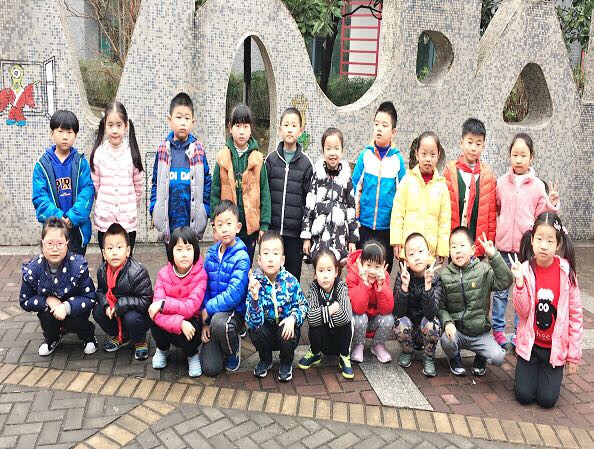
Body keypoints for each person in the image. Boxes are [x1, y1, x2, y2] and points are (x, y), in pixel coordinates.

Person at [492, 133, 560, 347]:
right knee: (500, 292)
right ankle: (498, 331)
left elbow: (541, 216)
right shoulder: (501, 183)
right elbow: (497, 208)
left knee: (524, 292)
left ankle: (520, 332)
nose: (519, 159)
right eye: (515, 155)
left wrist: (551, 203)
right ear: (509, 156)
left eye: (523, 155)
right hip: (503, 247)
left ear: (532, 157)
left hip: (526, 249)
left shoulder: (538, 186)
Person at [512, 212, 581, 408]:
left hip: (554, 349)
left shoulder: (566, 273)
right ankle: (530, 372)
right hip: (531, 347)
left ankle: (548, 374)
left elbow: (576, 316)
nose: (544, 245)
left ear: (558, 244)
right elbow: (523, 312)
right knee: (524, 396)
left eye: (550, 241)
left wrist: (573, 356)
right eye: (539, 239)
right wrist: (519, 283)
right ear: (532, 240)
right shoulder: (525, 269)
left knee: (547, 400)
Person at [439, 227, 513, 377]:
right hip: (457, 332)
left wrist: (494, 256)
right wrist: (447, 323)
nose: (458, 250)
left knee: (498, 357)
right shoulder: (444, 275)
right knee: (446, 341)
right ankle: (454, 358)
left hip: (480, 333)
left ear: (472, 250)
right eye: (453, 247)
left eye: (462, 245)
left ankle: (481, 356)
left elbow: (505, 281)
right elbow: (441, 307)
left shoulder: (483, 270)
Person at [19, 217, 97, 355]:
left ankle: (88, 336)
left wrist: (66, 307)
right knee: (46, 316)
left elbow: (90, 297)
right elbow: (25, 300)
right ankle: (52, 338)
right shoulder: (33, 268)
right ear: (42, 244)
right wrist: (47, 300)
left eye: (60, 244)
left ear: (67, 244)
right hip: (50, 310)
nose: (55, 249)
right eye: (49, 243)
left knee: (76, 318)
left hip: (75, 309)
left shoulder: (78, 265)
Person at [211, 104, 271, 263]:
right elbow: (215, 193)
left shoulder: (257, 159)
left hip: (249, 228)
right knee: (227, 264)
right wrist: (215, 225)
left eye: (245, 126)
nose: (242, 131)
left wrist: (264, 225)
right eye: (237, 126)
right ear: (230, 128)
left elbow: (265, 192)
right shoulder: (223, 157)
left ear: (251, 129)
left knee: (245, 265)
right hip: (227, 226)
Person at [246, 231, 308, 382]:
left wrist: (293, 318)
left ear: (282, 259)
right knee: (255, 330)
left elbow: (303, 305)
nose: (270, 258)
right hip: (266, 330)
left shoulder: (290, 281)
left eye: (275, 253)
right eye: (266, 253)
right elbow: (252, 322)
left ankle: (286, 361)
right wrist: (255, 298)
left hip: (285, 330)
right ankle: (265, 359)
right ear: (259, 260)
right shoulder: (255, 283)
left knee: (289, 328)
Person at [352, 101, 406, 273]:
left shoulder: (397, 160)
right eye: (376, 124)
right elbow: (355, 189)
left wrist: (398, 234)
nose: (379, 129)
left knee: (383, 273)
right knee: (362, 272)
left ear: (393, 131)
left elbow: (402, 198)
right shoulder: (365, 155)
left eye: (384, 125)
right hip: (364, 226)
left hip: (386, 229)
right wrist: (354, 222)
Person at [150, 92, 211, 243]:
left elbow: (207, 181)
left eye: (187, 118)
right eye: (178, 117)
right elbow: (155, 181)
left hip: (191, 222)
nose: (183, 122)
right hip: (169, 223)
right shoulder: (163, 150)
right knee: (171, 256)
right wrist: (154, 208)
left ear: (193, 122)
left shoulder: (198, 150)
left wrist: (205, 210)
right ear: (170, 120)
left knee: (191, 255)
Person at [32, 110, 94, 255]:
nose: (65, 136)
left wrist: (72, 217)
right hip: (53, 231)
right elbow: (40, 197)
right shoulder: (42, 165)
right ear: (52, 133)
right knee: (55, 264)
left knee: (77, 265)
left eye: (70, 132)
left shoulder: (80, 163)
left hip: (77, 230)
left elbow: (87, 191)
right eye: (60, 131)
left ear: (75, 135)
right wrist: (58, 218)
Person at [200, 201, 250, 376]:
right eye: (220, 225)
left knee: (220, 323)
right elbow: (204, 287)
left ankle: (232, 351)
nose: (225, 229)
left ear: (238, 227)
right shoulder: (211, 254)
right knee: (210, 368)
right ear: (214, 228)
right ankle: (219, 340)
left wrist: (208, 309)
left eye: (229, 224)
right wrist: (204, 322)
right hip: (212, 315)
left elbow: (234, 294)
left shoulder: (242, 256)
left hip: (233, 313)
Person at [150, 227, 207, 377]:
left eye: (188, 249)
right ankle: (162, 349)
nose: (184, 254)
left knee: (190, 327)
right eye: (179, 249)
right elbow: (155, 310)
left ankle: (192, 355)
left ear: (195, 251)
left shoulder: (201, 275)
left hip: (191, 321)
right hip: (176, 323)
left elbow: (190, 308)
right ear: (171, 252)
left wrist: (163, 304)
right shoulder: (162, 274)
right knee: (153, 317)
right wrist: (179, 323)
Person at [90, 101, 144, 254]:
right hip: (105, 221)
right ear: (104, 125)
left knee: (126, 260)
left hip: (127, 221)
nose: (114, 130)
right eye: (110, 125)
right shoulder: (99, 153)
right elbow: (95, 186)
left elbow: (138, 186)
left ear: (126, 126)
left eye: (119, 125)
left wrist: (130, 206)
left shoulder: (132, 152)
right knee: (107, 259)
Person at [92, 223, 153, 360]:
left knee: (131, 318)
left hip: (138, 314)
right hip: (116, 311)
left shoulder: (137, 272)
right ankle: (122, 336)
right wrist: (107, 305)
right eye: (110, 248)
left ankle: (140, 341)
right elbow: (100, 291)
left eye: (119, 247)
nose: (114, 252)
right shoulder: (102, 270)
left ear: (128, 250)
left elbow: (146, 301)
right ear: (104, 253)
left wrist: (120, 305)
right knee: (97, 311)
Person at [265, 107, 313, 280]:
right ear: (279, 130)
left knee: (292, 277)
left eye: (294, 125)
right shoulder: (271, 160)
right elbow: (265, 196)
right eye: (286, 125)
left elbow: (309, 203)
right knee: (271, 274)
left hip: (295, 234)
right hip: (273, 231)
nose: (290, 129)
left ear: (300, 131)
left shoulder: (306, 164)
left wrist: (306, 235)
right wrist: (264, 227)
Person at [390, 132, 450, 265]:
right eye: (424, 154)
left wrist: (442, 248)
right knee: (405, 278)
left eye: (432, 154)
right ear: (417, 154)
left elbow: (444, 222)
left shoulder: (441, 187)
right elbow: (397, 213)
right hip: (408, 250)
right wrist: (396, 241)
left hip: (428, 252)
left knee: (427, 279)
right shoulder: (407, 181)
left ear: (438, 156)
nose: (428, 159)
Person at [301, 127, 359, 264]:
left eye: (336, 148)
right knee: (320, 268)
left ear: (342, 151)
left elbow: (351, 209)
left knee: (336, 269)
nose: (332, 153)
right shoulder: (317, 177)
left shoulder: (346, 179)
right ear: (323, 151)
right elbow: (309, 207)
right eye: (328, 148)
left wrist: (352, 239)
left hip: (339, 236)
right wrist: (306, 236)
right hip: (320, 237)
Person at [444, 118, 496, 258]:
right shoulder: (450, 171)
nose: (473, 148)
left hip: (477, 241)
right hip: (454, 242)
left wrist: (489, 241)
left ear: (483, 146)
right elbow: (443, 210)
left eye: (478, 144)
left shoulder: (488, 176)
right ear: (461, 143)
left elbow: (491, 215)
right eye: (470, 142)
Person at [298, 249, 354, 379]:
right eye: (321, 270)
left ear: (336, 272)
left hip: (339, 340)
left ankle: (344, 356)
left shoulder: (341, 287)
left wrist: (322, 316)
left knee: (347, 324)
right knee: (314, 326)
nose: (325, 275)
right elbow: (311, 318)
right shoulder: (314, 288)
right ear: (315, 274)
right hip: (322, 339)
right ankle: (315, 353)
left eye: (329, 270)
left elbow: (345, 316)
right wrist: (330, 310)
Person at [393, 233, 443, 377]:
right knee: (399, 323)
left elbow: (431, 313)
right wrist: (404, 286)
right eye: (411, 254)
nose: (417, 257)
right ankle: (408, 351)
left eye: (421, 251)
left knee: (433, 324)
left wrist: (428, 285)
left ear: (429, 255)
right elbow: (398, 312)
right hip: (409, 329)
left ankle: (428, 356)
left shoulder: (436, 280)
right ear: (407, 261)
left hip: (425, 329)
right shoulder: (402, 276)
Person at [347, 240, 395, 363]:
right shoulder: (352, 276)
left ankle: (378, 345)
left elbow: (386, 309)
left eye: (377, 267)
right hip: (359, 318)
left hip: (375, 319)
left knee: (389, 318)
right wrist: (364, 283)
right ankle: (358, 345)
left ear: (383, 265)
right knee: (359, 317)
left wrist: (381, 286)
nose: (372, 271)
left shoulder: (384, 277)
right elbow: (358, 309)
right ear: (360, 262)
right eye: (368, 265)